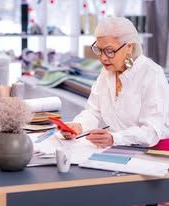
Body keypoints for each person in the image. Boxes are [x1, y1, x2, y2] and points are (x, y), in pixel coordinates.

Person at [64, 16, 169, 148]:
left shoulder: (152, 74)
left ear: (129, 47)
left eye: (109, 51)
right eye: (99, 50)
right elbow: (93, 111)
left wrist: (115, 138)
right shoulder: (106, 73)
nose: (103, 58)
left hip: (152, 153)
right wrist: (78, 126)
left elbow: (151, 132)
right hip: (119, 148)